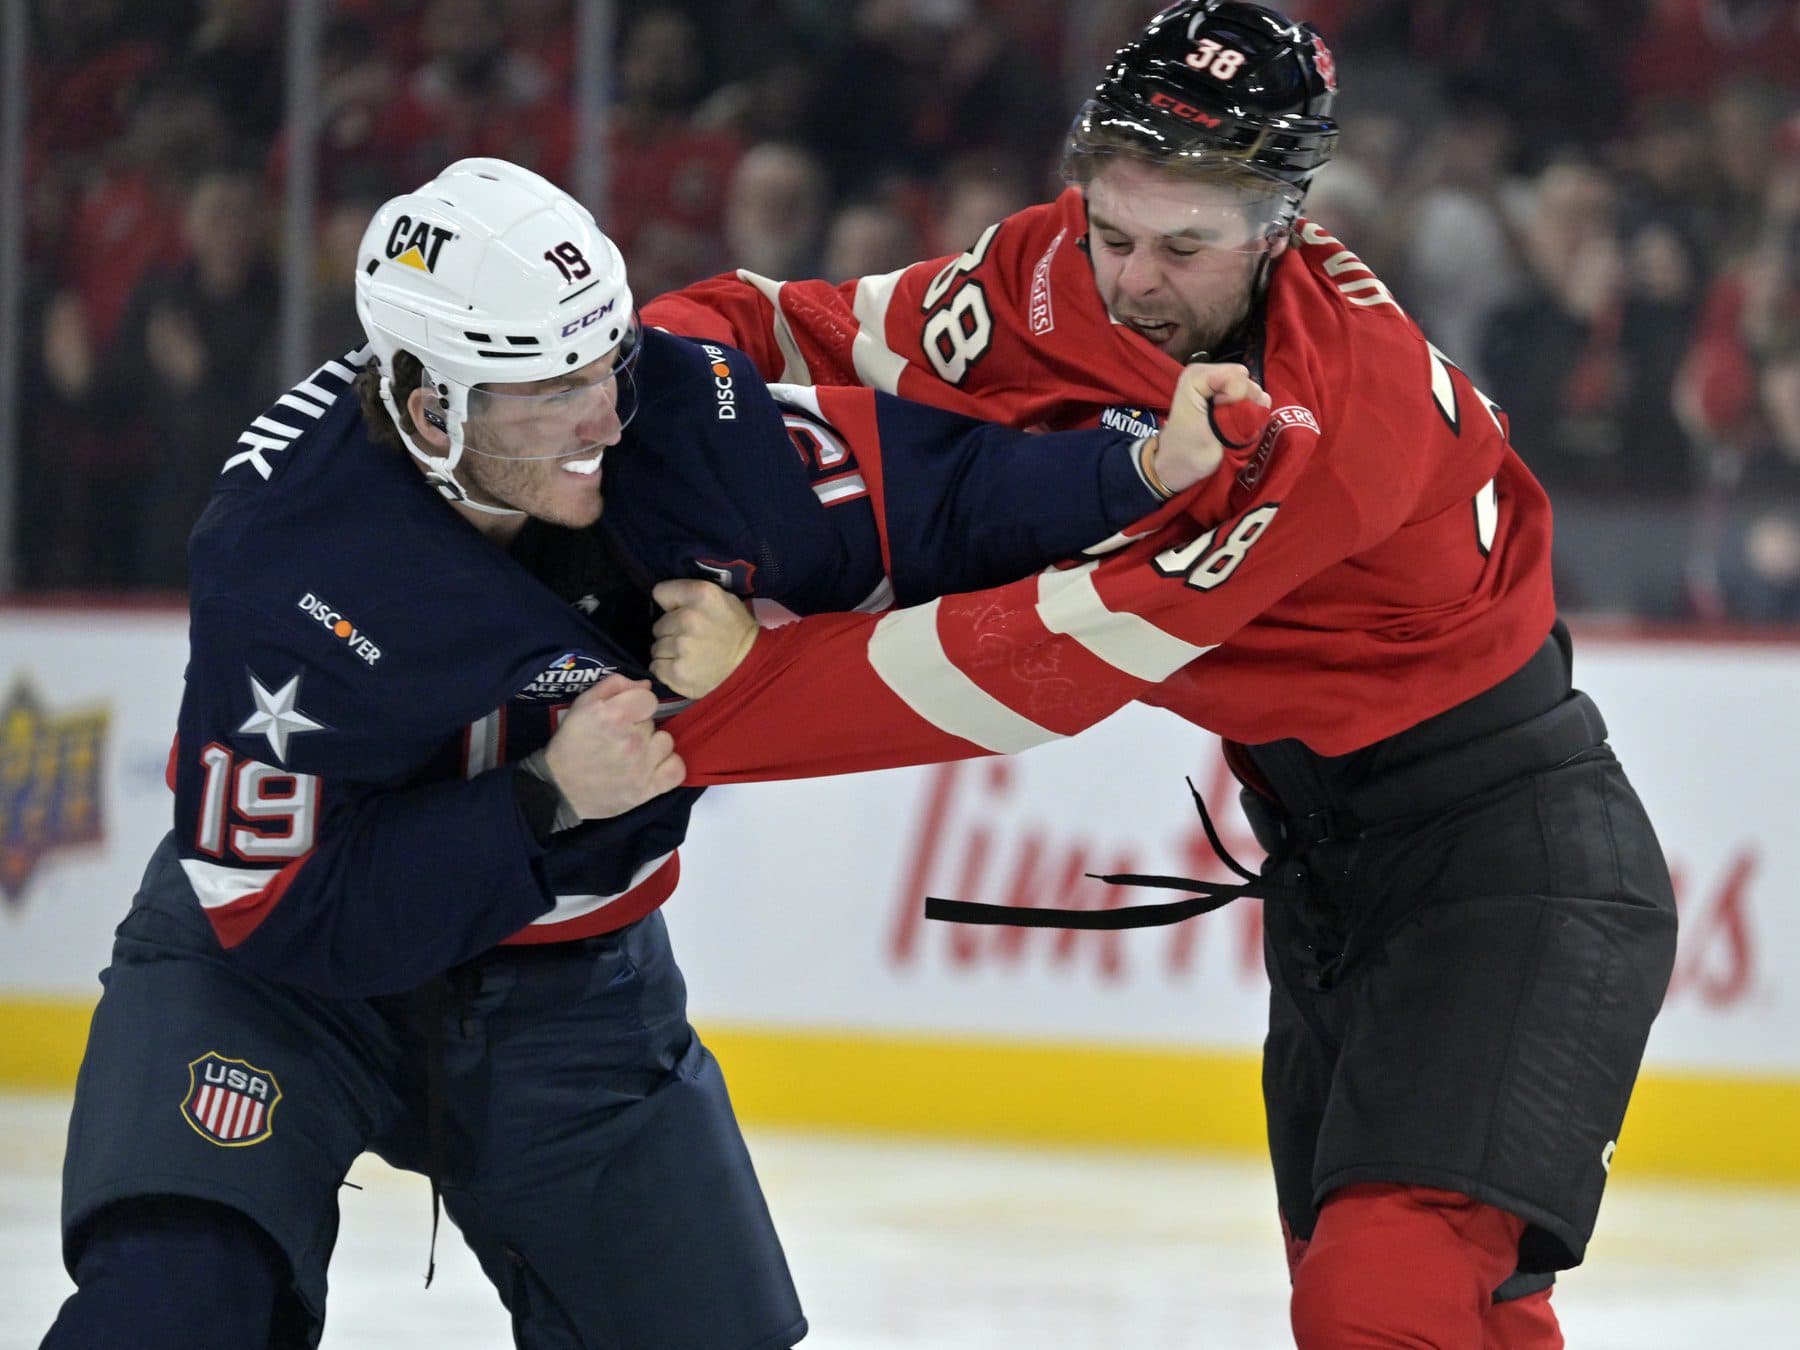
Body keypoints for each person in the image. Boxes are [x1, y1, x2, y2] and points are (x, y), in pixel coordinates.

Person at [45, 156, 1236, 1350]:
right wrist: (542, 799)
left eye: (602, 362)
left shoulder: (675, 412)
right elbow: (280, 909)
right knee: (172, 1308)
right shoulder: (282, 555)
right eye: (549, 390)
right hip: (286, 996)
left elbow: (933, 493)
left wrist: (1135, 468)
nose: (603, 418)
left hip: (576, 1000)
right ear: (428, 409)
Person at [643, 4, 1680, 1346]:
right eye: (1111, 229)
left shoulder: (1326, 423)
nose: (1133, 280)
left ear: (1280, 227)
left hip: (1509, 853)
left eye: (1185, 247)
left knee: (1384, 1296)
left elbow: (1053, 660)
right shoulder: (1045, 274)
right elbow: (806, 332)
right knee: (1436, 1304)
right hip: (1330, 862)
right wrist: (624, 377)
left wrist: (743, 692)